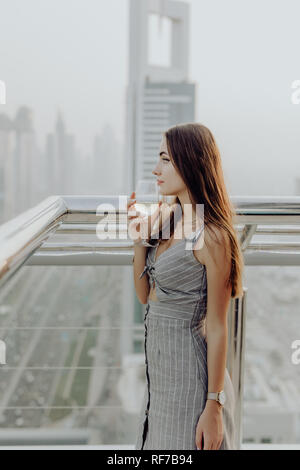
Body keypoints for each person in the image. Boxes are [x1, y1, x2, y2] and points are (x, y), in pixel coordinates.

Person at [127, 122, 244, 450]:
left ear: (190, 161)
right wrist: (139, 243)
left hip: (192, 386)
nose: (155, 169)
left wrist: (214, 406)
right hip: (159, 386)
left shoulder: (213, 236)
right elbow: (145, 297)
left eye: (165, 160)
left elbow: (218, 327)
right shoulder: (167, 218)